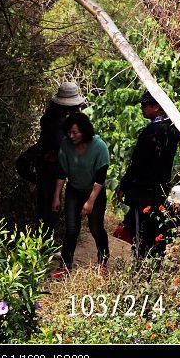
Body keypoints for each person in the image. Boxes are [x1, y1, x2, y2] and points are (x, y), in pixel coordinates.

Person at [116, 90, 180, 260]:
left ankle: (140, 262)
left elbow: (137, 162)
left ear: (156, 106)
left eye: (144, 105)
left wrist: (124, 185)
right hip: (161, 188)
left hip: (143, 190)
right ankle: (153, 261)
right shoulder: (174, 129)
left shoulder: (151, 131)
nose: (141, 108)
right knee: (156, 227)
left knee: (141, 228)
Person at [52, 112, 110, 272]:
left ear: (84, 131)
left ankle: (103, 260)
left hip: (94, 192)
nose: (72, 136)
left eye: (75, 132)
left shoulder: (99, 147)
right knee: (71, 229)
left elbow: (100, 178)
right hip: (74, 190)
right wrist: (56, 196)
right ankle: (65, 265)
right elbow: (61, 172)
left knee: (96, 228)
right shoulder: (66, 144)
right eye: (69, 132)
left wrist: (90, 201)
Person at [35, 81, 86, 236]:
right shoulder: (58, 122)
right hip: (50, 168)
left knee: (45, 204)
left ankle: (41, 244)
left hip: (46, 167)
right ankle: (43, 246)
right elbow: (59, 146)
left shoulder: (51, 116)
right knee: (50, 207)